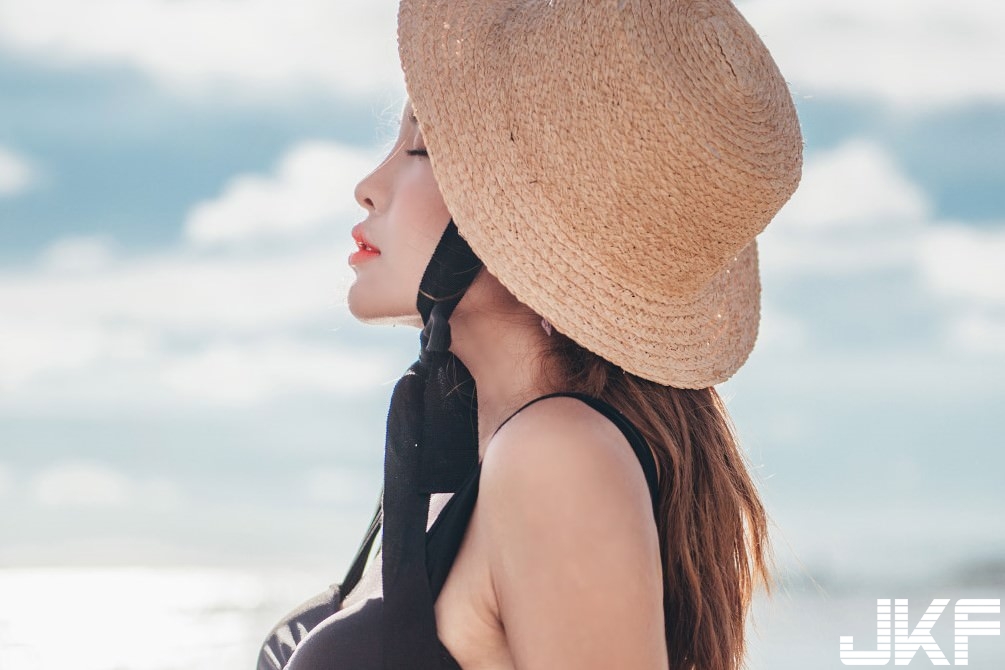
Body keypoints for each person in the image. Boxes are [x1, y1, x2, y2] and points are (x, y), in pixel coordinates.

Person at [258, 1, 802, 669]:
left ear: (537, 216)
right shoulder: (502, 461)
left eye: (422, 147)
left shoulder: (556, 455)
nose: (368, 187)